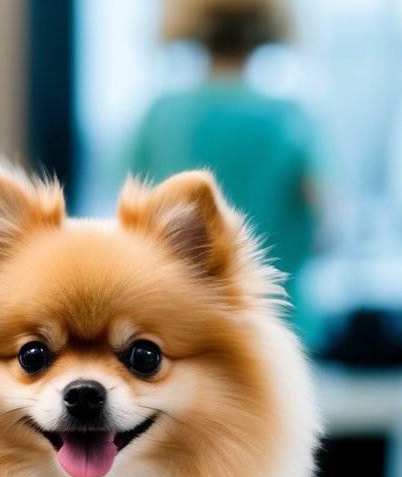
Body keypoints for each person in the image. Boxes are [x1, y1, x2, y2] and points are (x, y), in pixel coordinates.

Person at [129, 0, 323, 347]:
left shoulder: (161, 116)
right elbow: (326, 220)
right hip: (280, 319)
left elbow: (127, 221)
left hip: (179, 324)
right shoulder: (290, 118)